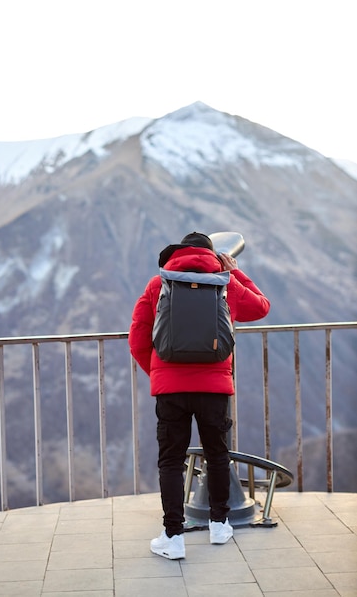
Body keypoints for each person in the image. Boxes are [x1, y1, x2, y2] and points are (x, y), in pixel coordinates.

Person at [128, 232, 271, 560]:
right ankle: (219, 526)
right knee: (218, 455)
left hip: (171, 391)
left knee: (171, 460)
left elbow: (138, 338)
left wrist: (161, 376)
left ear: (177, 253)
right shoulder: (224, 283)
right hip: (214, 389)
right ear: (213, 255)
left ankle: (173, 537)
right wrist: (234, 271)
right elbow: (261, 306)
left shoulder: (157, 285)